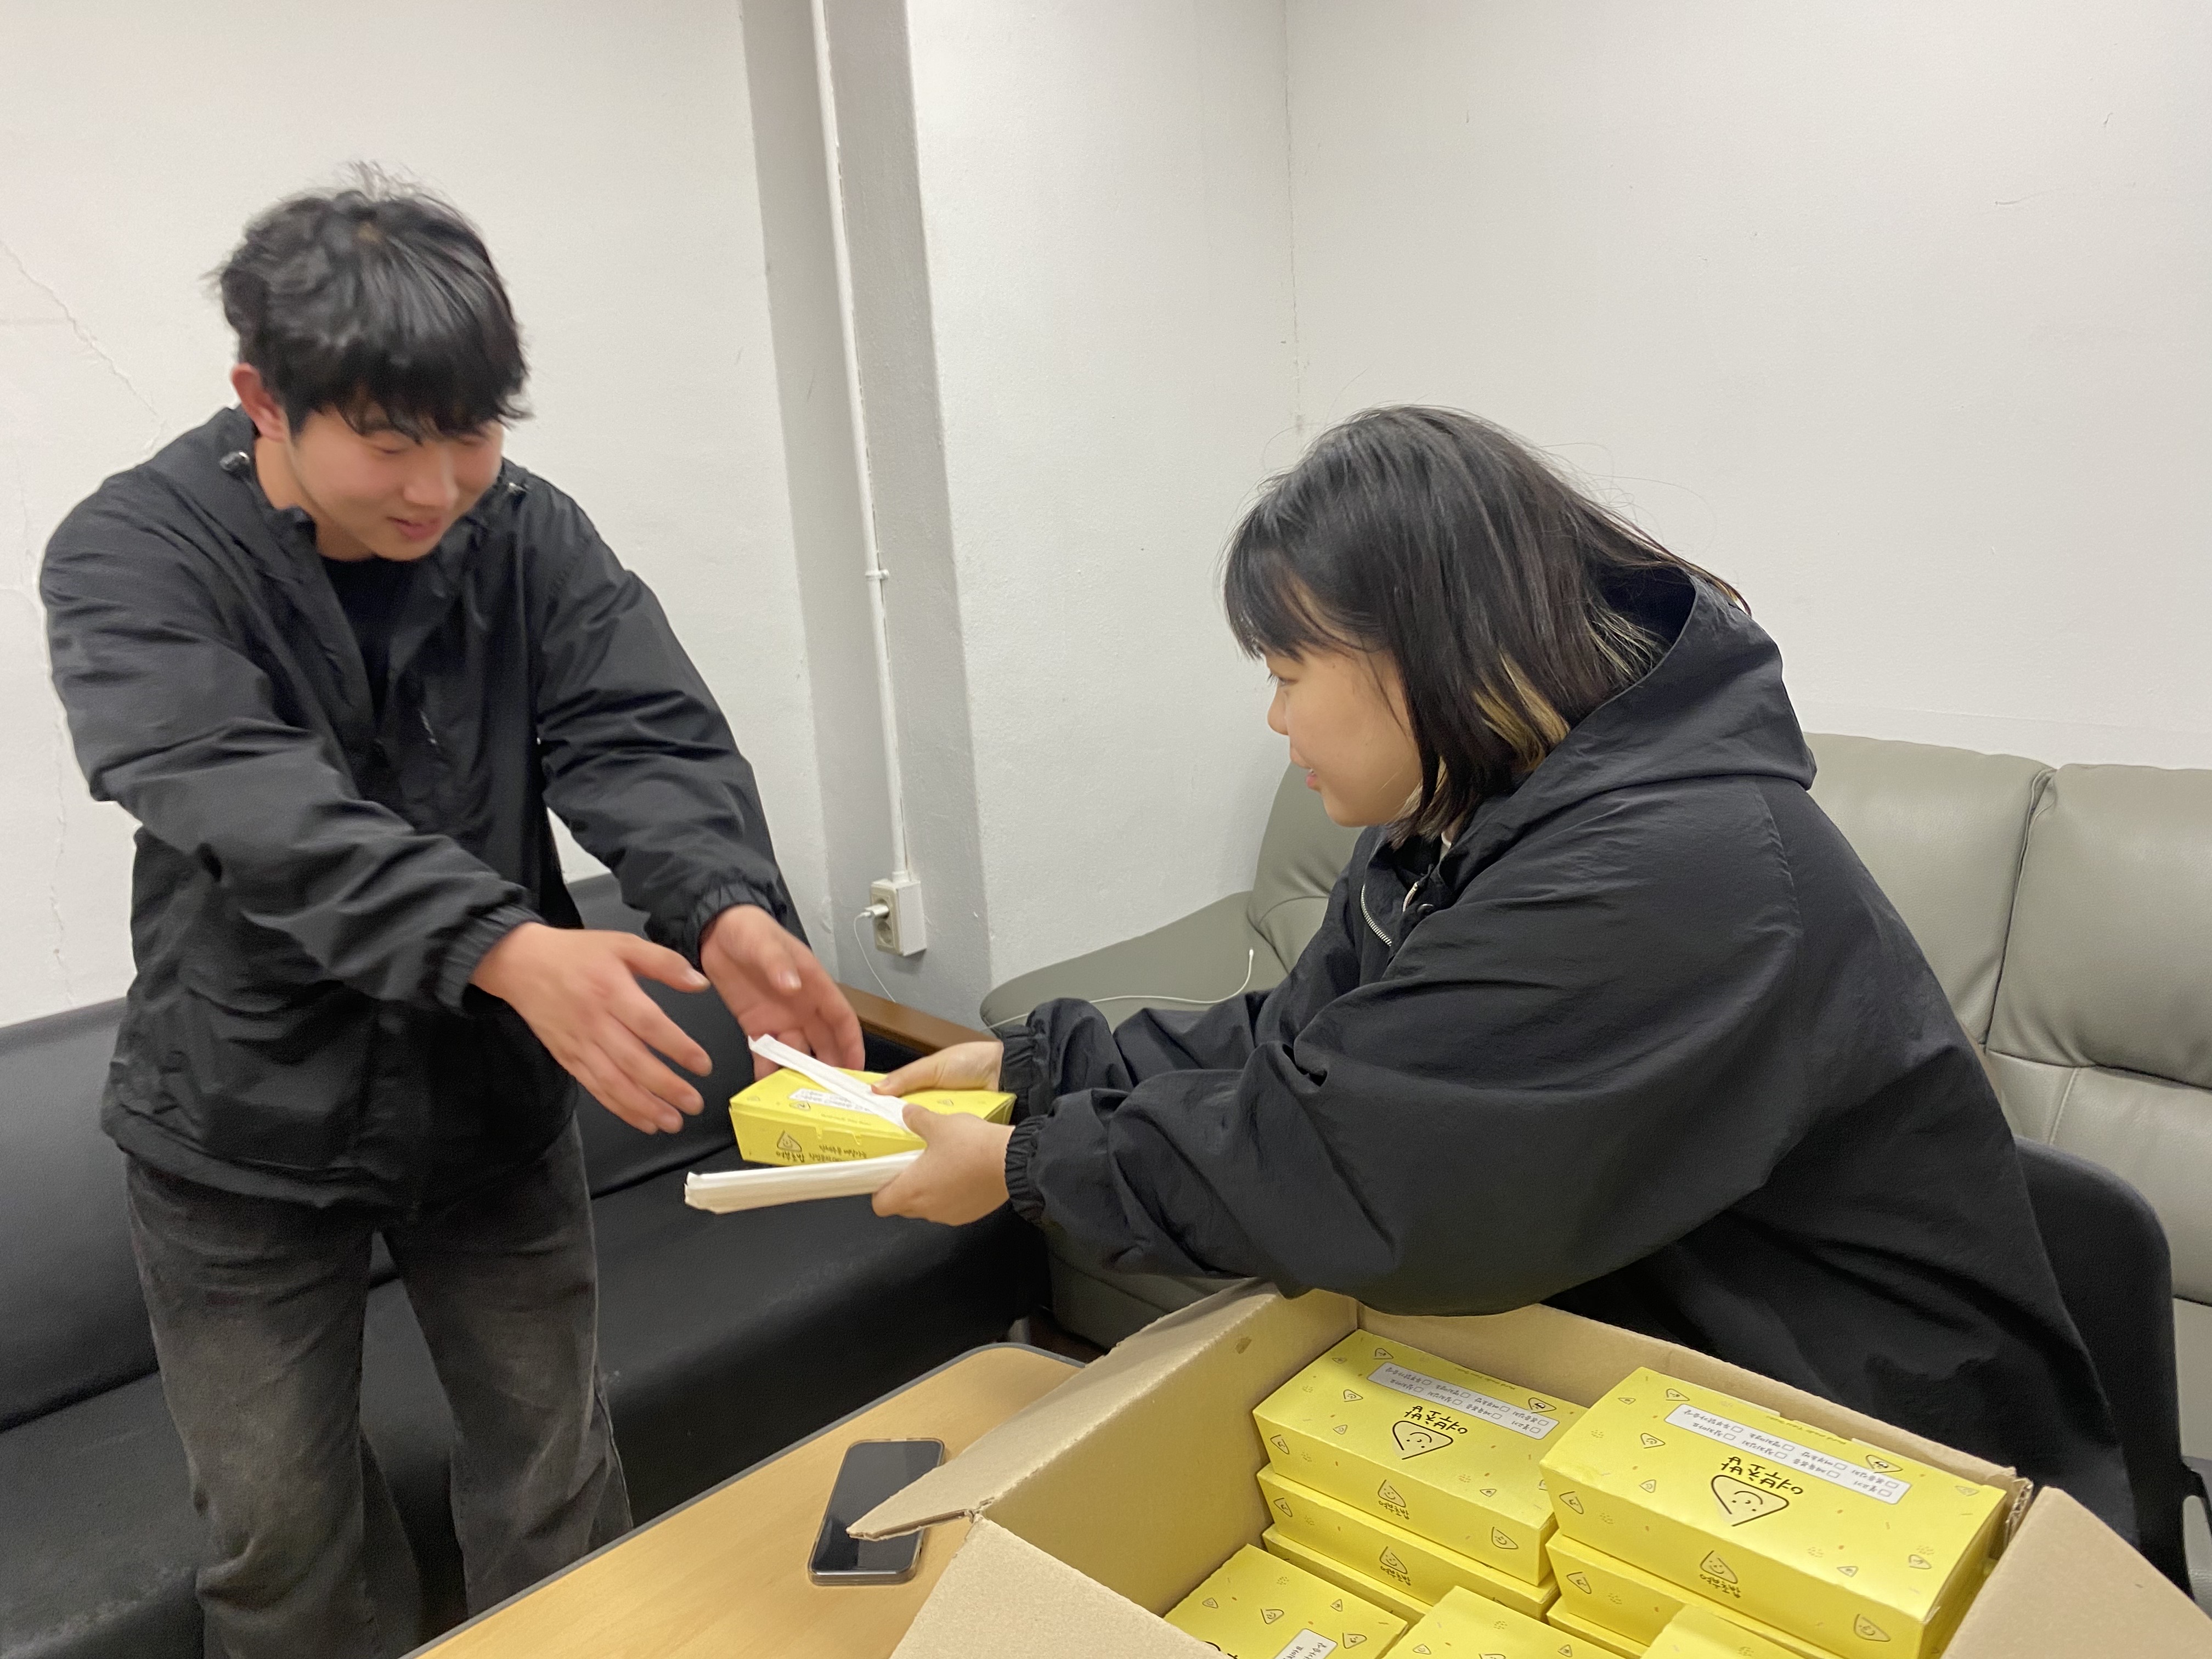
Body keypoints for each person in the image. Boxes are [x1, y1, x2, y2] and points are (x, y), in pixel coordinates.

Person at [867, 405, 2132, 1530]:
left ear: (1424, 651)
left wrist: (1032, 1164)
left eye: (1290, 672)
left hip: (1867, 1427)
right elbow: (1318, 1043)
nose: (1277, 717)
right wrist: (1044, 1067)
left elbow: (1359, 1156)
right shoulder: (1463, 817)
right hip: (1655, 1339)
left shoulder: (1665, 869)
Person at [41, 177, 861, 1658]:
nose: (439, 486)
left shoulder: (529, 534)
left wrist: (723, 906)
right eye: (389, 441)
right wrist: (504, 948)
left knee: (555, 1479)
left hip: (486, 1110)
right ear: (263, 399)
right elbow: (243, 794)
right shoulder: (133, 554)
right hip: (237, 1124)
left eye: (473, 433)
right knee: (278, 1545)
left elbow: (636, 730)